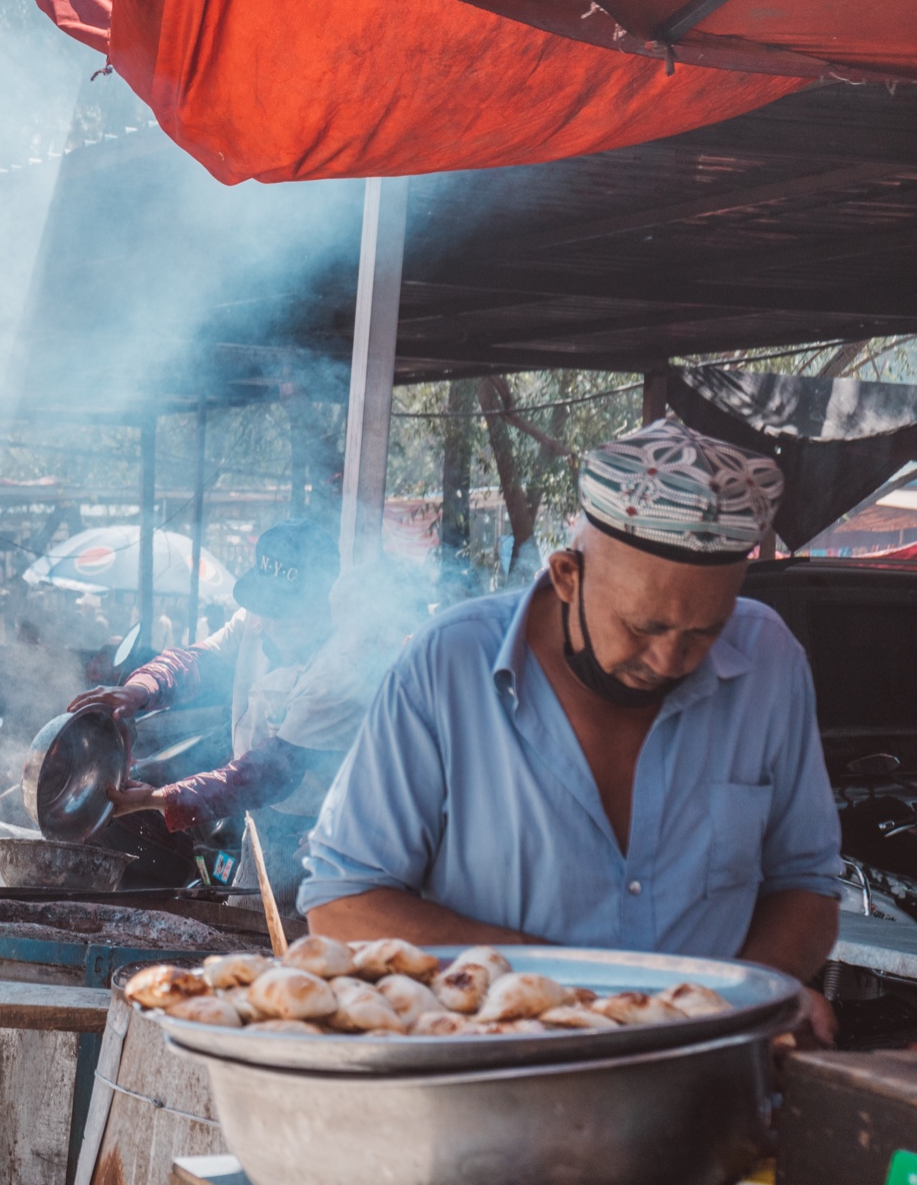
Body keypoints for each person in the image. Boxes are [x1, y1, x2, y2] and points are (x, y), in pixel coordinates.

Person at [299, 421, 843, 1042]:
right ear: (567, 576)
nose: (669, 661)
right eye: (644, 627)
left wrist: (747, 997)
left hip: (707, 1080)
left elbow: (805, 884)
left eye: (704, 633)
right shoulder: (447, 665)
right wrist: (560, 990)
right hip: (490, 1083)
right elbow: (343, 905)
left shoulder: (769, 659)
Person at [70, 518, 386, 895]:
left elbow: (266, 775)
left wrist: (156, 799)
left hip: (323, 833)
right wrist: (139, 689)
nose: (266, 621)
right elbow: (198, 661)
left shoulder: (339, 671)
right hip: (262, 820)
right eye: (264, 606)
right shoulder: (256, 619)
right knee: (248, 932)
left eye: (283, 610)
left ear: (322, 604)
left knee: (307, 945)